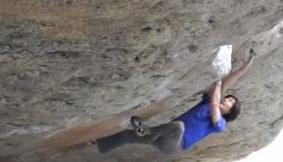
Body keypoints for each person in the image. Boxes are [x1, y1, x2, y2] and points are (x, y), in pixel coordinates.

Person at [96, 49, 255, 155]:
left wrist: (218, 85)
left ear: (229, 112)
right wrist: (245, 68)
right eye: (228, 97)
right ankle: (97, 144)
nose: (226, 99)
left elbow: (216, 102)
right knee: (126, 136)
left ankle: (145, 130)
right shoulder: (206, 103)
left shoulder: (219, 124)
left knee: (179, 126)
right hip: (163, 134)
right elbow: (227, 84)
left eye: (230, 102)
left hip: (174, 144)